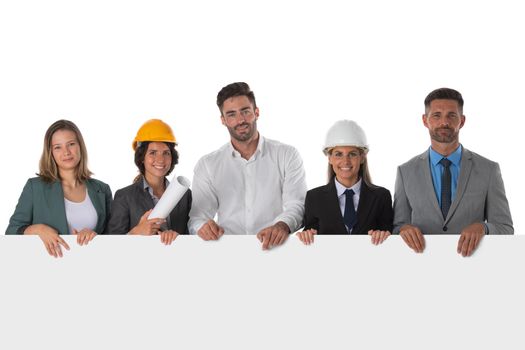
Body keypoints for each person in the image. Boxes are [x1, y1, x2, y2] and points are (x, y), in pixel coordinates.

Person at [393, 88, 513, 256]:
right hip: (421, 265)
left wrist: (484, 227)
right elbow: (397, 227)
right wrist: (404, 229)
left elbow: (505, 227)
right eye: (436, 115)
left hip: (473, 265)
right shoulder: (405, 172)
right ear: (425, 120)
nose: (444, 122)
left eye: (451, 115)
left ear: (462, 121)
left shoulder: (489, 170)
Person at [188, 82, 307, 250]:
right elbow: (198, 217)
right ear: (223, 120)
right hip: (226, 252)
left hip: (275, 250)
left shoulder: (287, 155)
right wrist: (202, 227)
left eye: (245, 111)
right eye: (231, 114)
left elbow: (297, 204)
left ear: (256, 112)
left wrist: (282, 225)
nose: (240, 120)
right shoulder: (208, 165)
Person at [6, 119, 112, 258]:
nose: (66, 152)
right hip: (48, 268)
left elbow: (113, 235)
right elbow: (11, 232)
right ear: (50, 152)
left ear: (80, 146)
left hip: (93, 266)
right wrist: (38, 229)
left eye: (71, 144)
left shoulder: (102, 189)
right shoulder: (35, 187)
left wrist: (95, 235)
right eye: (58, 147)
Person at [298, 120, 393, 245]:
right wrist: (306, 235)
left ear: (362, 157)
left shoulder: (381, 196)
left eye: (352, 154)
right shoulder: (314, 197)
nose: (346, 161)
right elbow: (310, 234)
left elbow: (391, 235)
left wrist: (384, 234)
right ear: (330, 158)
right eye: (338, 154)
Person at [106, 119, 191, 244]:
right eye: (153, 153)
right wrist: (136, 232)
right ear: (142, 158)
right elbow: (110, 244)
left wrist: (178, 238)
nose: (160, 159)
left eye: (166, 153)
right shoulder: (124, 196)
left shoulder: (184, 194)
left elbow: (193, 236)